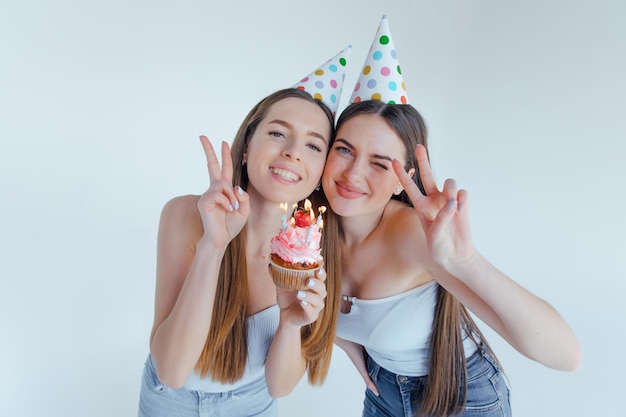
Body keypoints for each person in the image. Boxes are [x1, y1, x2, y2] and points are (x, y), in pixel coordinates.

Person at [321, 16, 581, 417]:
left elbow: (566, 355)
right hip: (382, 389)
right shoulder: (307, 228)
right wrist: (345, 341)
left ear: (402, 181)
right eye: (344, 150)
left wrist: (466, 262)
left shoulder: (414, 236)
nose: (353, 174)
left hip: (461, 396)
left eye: (379, 163)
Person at [137, 46, 350, 417]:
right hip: (170, 402)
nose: (293, 152)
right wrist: (213, 246)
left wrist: (290, 323)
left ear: (320, 172)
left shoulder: (316, 250)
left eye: (314, 145)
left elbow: (280, 385)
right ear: (248, 147)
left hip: (254, 404)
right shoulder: (184, 215)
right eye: (278, 133)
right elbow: (171, 370)